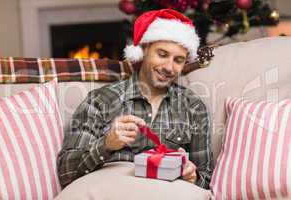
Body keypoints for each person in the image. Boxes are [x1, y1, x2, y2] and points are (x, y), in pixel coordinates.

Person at [57, 8, 213, 189]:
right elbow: (66, 173)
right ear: (144, 50)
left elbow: (206, 179)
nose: (169, 67)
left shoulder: (193, 108)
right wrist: (106, 144)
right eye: (162, 54)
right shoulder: (100, 101)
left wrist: (192, 176)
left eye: (178, 60)